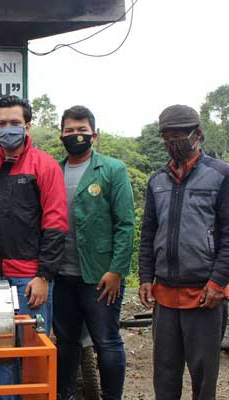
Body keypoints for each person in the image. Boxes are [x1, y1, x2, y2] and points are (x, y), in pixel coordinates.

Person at [0, 95, 68, 399]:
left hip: (29, 279)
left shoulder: (45, 166)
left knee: (35, 351)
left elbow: (55, 224)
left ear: (27, 125)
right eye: (1, 123)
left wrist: (44, 276)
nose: (7, 128)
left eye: (14, 123)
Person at [139, 104, 229, 400]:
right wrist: (145, 276)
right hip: (164, 295)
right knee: (164, 374)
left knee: (203, 377)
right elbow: (149, 233)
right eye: (167, 137)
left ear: (197, 135)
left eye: (178, 136)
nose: (172, 144)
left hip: (204, 295)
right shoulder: (157, 181)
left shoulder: (221, 176)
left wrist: (217, 282)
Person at [54, 106, 134, 400]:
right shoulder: (54, 170)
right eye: (70, 131)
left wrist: (117, 272)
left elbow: (126, 224)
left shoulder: (113, 169)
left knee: (107, 341)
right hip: (62, 275)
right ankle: (66, 395)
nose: (76, 136)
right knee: (66, 342)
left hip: (100, 275)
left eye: (82, 130)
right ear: (61, 135)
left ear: (94, 135)